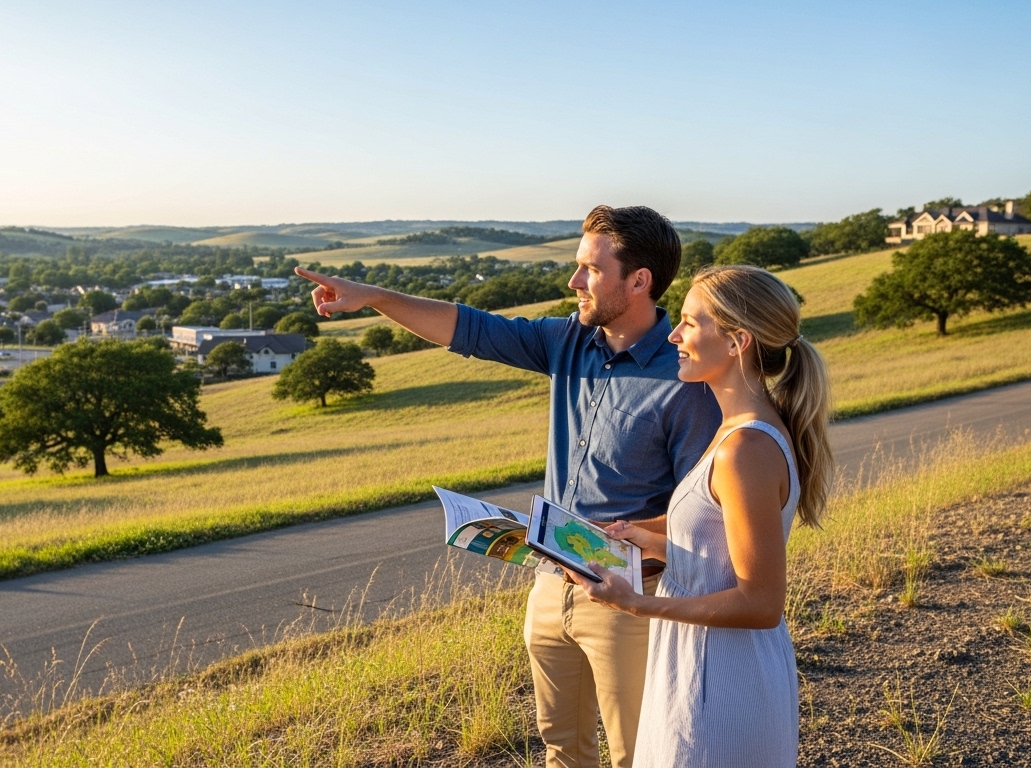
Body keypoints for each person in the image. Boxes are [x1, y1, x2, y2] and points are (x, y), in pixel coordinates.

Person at [295, 206, 721, 768]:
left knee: (637, 755)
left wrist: (617, 540)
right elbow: (469, 328)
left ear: (638, 280)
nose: (573, 282)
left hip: (629, 600)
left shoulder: (684, 378)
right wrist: (373, 296)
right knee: (562, 748)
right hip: (548, 585)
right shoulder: (568, 341)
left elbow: (703, 513)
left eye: (590, 270)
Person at [567, 264, 833, 767]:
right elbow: (718, 543)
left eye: (690, 322)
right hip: (699, 666)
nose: (673, 335)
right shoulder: (735, 430)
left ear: (737, 341)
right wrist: (635, 535)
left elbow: (761, 603)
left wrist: (636, 606)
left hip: (720, 681)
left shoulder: (745, 449)